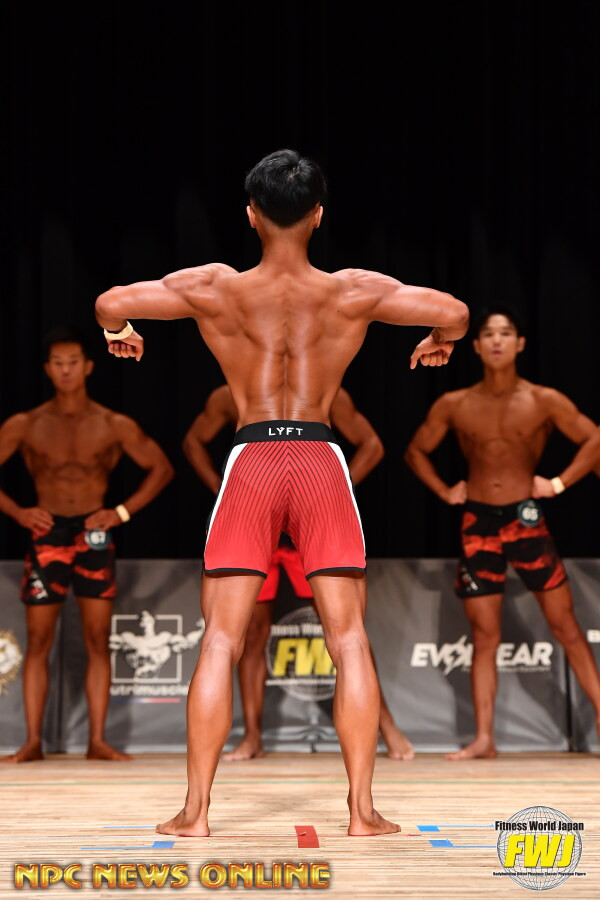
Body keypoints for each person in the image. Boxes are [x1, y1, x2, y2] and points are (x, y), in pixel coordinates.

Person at [95, 148, 468, 835]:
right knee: (348, 639)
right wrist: (440, 344)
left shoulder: (217, 288)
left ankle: (196, 813)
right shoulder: (352, 290)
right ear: (319, 215)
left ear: (251, 215)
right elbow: (455, 311)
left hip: (253, 458)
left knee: (220, 640)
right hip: (321, 459)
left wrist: (120, 334)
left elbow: (109, 303)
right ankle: (362, 813)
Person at [404, 306, 600, 760]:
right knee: (484, 635)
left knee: (566, 626)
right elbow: (415, 451)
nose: (496, 340)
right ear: (475, 345)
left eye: (505, 333)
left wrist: (558, 483)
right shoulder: (455, 403)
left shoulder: (543, 399)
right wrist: (445, 490)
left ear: (520, 343)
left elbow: (594, 439)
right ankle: (484, 739)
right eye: (488, 334)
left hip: (526, 519)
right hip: (478, 523)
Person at [183, 383, 414, 761]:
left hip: (290, 505)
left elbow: (371, 445)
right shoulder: (229, 393)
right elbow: (194, 440)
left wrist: (338, 486)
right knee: (251, 633)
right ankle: (252, 735)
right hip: (260, 514)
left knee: (345, 629)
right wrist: (221, 484)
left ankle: (386, 725)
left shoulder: (322, 389)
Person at [0, 327, 174, 762]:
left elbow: (162, 468)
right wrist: (18, 512)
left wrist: (121, 512)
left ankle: (97, 740)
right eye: (58, 363)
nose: (66, 370)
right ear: (47, 369)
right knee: (39, 639)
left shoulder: (112, 423)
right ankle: (33, 741)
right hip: (46, 536)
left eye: (73, 362)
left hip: (94, 535)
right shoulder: (26, 424)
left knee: (98, 638)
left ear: (88, 367)